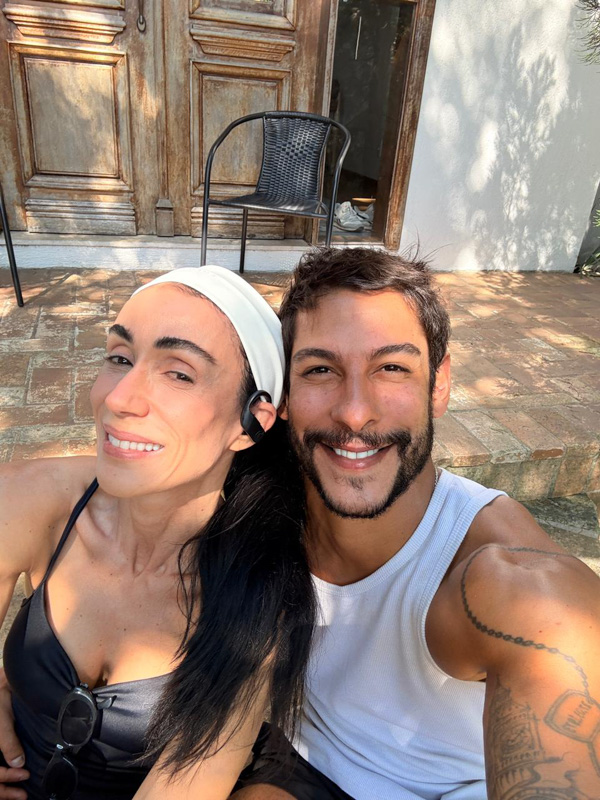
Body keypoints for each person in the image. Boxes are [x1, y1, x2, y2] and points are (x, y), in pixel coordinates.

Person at [233, 247, 600, 800]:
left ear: (439, 384)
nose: (355, 412)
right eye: (320, 370)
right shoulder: (259, 497)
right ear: (284, 394)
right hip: (291, 757)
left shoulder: (514, 584)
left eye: (392, 368)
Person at [0, 266, 314, 800]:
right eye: (120, 358)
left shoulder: (257, 590)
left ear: (251, 422)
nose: (118, 399)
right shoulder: (31, 499)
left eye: (179, 374)